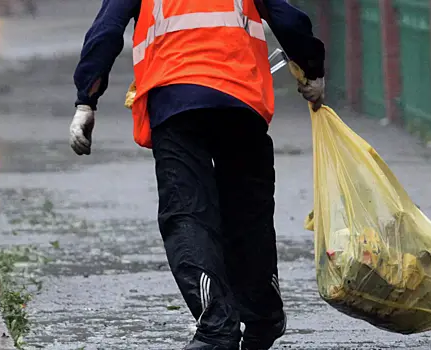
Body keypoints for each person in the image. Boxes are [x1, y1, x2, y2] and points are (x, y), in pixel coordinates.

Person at [69, 0, 325, 349]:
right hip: (240, 101)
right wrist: (311, 67)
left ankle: (217, 327)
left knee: (187, 212)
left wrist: (87, 100)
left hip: (174, 103)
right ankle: (263, 315)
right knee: (248, 214)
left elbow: (106, 31)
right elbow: (288, 18)